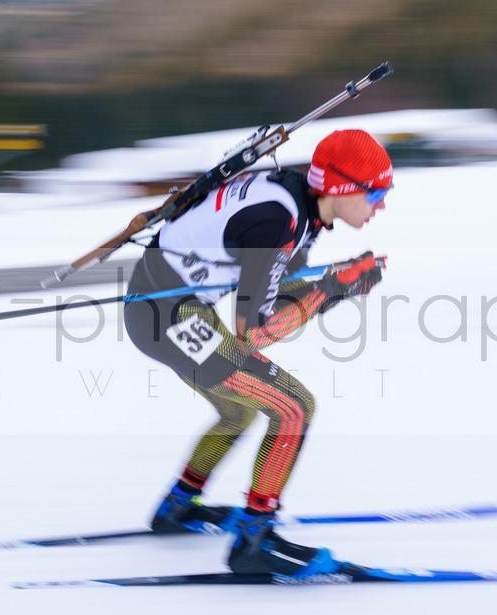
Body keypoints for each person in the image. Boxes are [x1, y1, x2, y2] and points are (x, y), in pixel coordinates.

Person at [123, 129, 392, 577]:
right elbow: (255, 334)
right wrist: (332, 289)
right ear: (343, 188)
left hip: (166, 307)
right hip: (167, 315)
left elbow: (282, 289)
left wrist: (335, 287)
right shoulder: (278, 221)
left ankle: (178, 506)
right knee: (293, 407)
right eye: (376, 192)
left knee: (239, 408)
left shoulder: (299, 206)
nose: (380, 204)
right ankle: (254, 540)